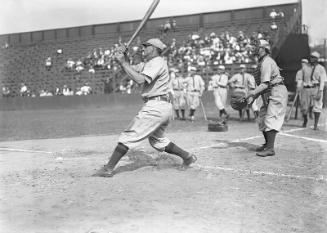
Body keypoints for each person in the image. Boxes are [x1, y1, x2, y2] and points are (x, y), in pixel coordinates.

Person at [94, 38, 197, 177]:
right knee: (157, 140)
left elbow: (140, 80)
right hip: (161, 105)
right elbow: (130, 69)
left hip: (156, 105)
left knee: (129, 136)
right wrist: (123, 57)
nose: (142, 49)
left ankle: (108, 168)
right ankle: (187, 157)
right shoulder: (150, 63)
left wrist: (123, 62)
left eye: (145, 46)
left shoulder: (157, 62)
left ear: (153, 48)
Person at [247, 40, 288, 157]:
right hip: (268, 91)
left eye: (257, 46)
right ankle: (267, 144)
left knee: (271, 118)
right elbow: (263, 86)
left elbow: (265, 84)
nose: (254, 47)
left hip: (276, 90)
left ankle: (270, 149)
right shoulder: (261, 62)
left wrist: (251, 94)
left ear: (263, 48)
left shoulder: (267, 62)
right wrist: (253, 98)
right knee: (262, 119)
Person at [308, 51, 327, 130]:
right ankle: (307, 119)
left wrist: (320, 91)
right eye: (311, 57)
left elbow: (323, 81)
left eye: (313, 57)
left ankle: (315, 124)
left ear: (316, 59)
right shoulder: (308, 67)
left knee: (317, 106)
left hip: (317, 88)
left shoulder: (321, 68)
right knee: (307, 105)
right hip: (309, 88)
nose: (311, 58)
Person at [295, 58, 313, 127]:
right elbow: (299, 81)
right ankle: (305, 119)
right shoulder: (300, 72)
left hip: (311, 89)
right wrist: (298, 88)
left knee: (311, 104)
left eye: (304, 62)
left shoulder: (311, 70)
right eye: (302, 62)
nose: (303, 64)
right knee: (304, 105)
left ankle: (309, 114)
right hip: (304, 89)